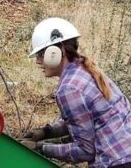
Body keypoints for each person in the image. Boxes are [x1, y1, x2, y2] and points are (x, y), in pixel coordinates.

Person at [22, 17, 131, 167]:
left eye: (41, 54)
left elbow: (85, 151)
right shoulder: (85, 69)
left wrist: (41, 149)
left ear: (57, 51)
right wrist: (47, 131)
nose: (38, 61)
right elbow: (83, 122)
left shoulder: (69, 89)